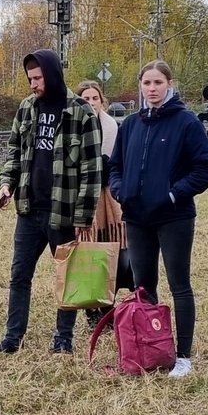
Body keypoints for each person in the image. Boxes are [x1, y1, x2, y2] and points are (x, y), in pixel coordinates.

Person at [108, 60, 208, 379]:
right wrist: (119, 190)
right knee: (143, 286)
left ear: (169, 84)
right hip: (137, 218)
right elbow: (115, 166)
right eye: (147, 83)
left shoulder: (186, 122)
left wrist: (173, 194)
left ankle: (183, 356)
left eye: (158, 82)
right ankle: (149, 346)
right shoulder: (130, 124)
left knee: (179, 284)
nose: (152, 88)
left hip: (174, 218)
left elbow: (205, 168)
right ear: (140, 86)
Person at [0, 49, 102, 354]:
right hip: (28, 211)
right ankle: (12, 339)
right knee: (19, 276)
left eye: (38, 77)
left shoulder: (81, 111)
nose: (33, 84)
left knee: (66, 276)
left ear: (53, 74)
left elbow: (91, 170)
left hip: (64, 213)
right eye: (30, 78)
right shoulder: (27, 108)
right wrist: (7, 184)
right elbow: (14, 152)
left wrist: (83, 217)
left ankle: (63, 339)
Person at [75, 80, 134, 327]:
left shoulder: (113, 128)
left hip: (111, 197)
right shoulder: (72, 130)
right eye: (85, 99)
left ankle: (113, 307)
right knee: (89, 255)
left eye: (95, 98)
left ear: (102, 101)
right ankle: (92, 310)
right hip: (84, 197)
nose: (91, 103)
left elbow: (122, 162)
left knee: (117, 251)